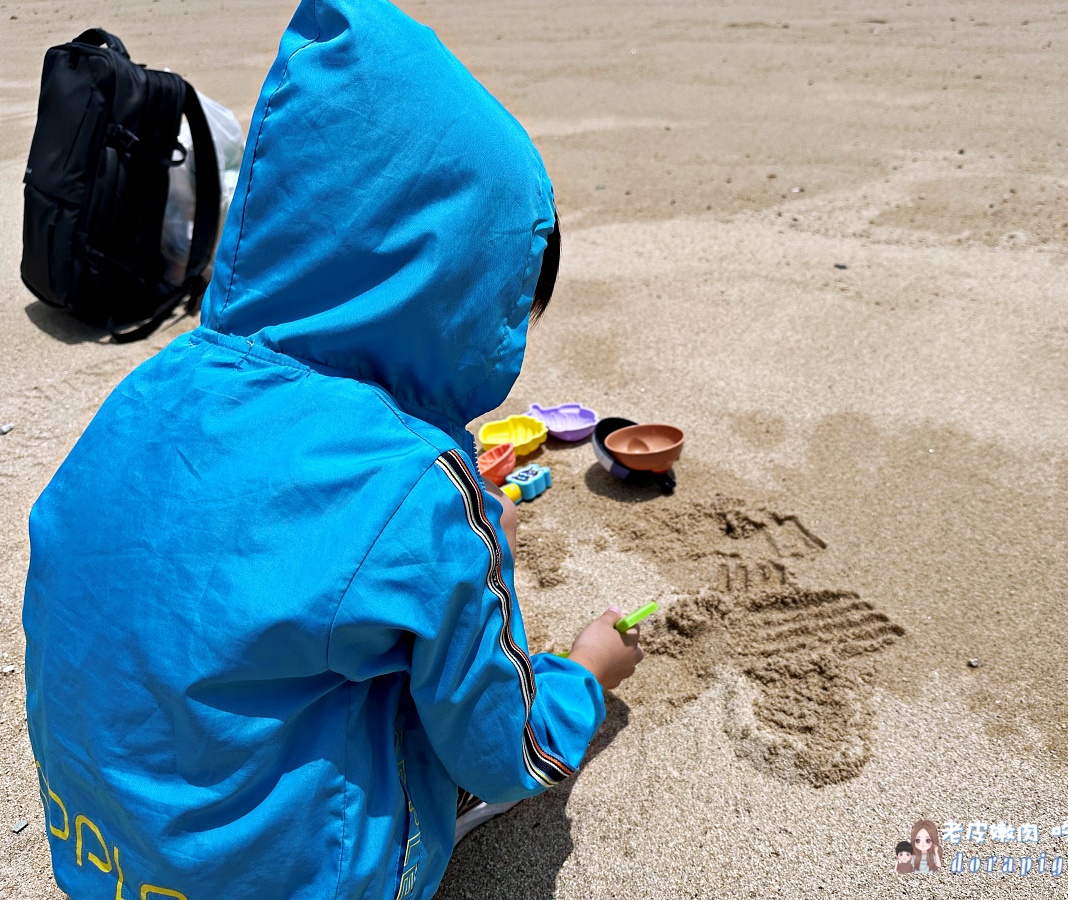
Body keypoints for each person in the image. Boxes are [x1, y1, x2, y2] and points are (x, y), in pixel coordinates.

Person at [21, 1, 642, 898]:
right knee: (474, 721)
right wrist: (585, 670)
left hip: (98, 857)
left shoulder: (154, 386)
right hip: (290, 879)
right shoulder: (421, 492)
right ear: (464, 303)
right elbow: (510, 752)